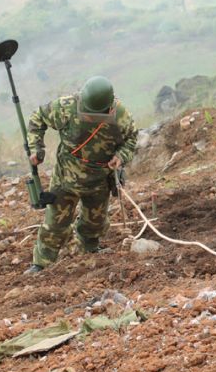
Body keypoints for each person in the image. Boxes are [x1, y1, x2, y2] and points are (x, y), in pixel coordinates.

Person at [23, 76, 137, 274]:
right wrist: (36, 148)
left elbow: (131, 139)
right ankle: (41, 263)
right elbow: (38, 117)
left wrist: (121, 156)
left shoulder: (120, 116)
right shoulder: (66, 107)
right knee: (55, 224)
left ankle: (90, 250)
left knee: (95, 222)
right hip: (65, 179)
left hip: (99, 180)